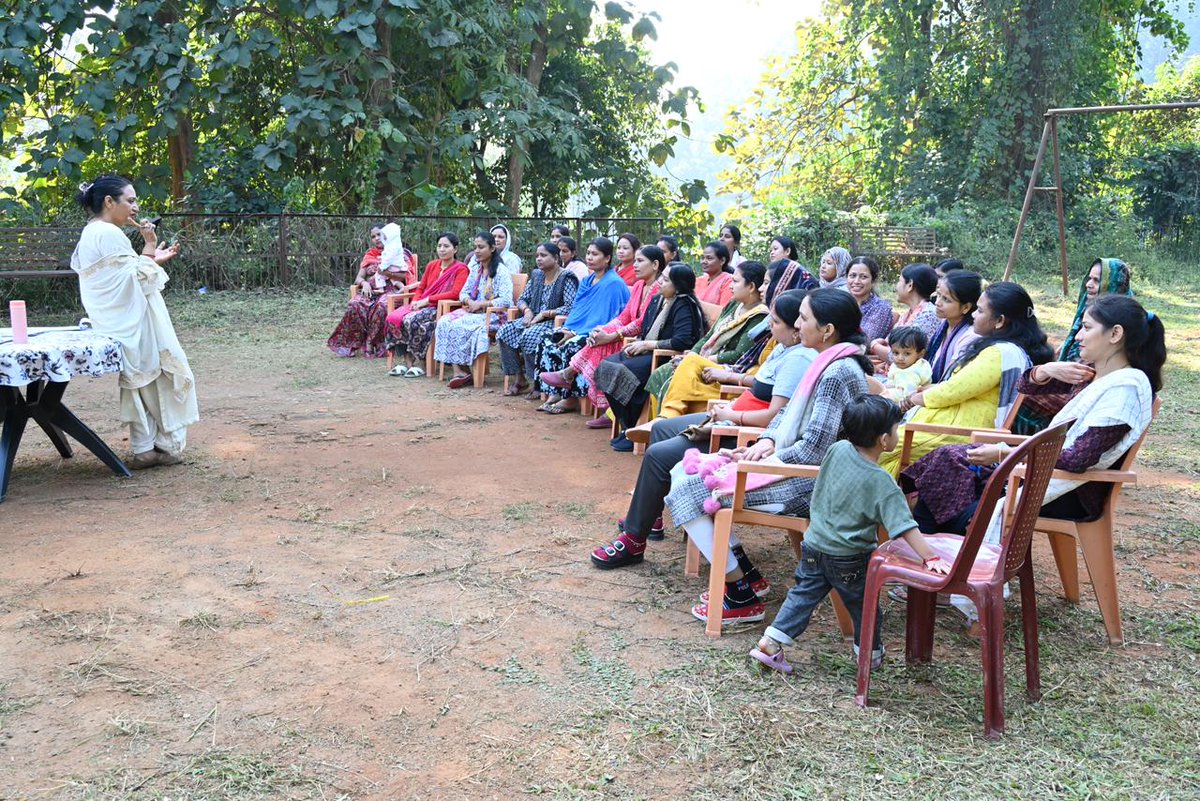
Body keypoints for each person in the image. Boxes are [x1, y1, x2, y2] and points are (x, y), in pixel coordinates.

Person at [589, 291, 872, 611]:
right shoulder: (826, 361)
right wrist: (765, 442)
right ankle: (746, 575)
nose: (796, 324)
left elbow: (814, 450)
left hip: (808, 482)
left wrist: (764, 458)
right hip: (788, 466)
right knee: (683, 470)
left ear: (828, 330)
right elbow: (784, 417)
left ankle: (738, 594)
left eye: (803, 319)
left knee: (686, 488)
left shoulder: (835, 372)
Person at [902, 294, 1164, 538]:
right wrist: (1046, 370)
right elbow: (1024, 386)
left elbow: (1077, 459)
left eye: (1087, 327)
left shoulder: (1124, 390)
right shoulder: (1091, 374)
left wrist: (1005, 454)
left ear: (1115, 334)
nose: (1078, 336)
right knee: (948, 464)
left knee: (949, 484)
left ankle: (943, 560)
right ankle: (933, 558)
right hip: (1042, 472)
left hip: (1069, 492)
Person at [748, 395, 952, 674]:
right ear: (884, 440)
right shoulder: (881, 481)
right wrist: (931, 556)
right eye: (896, 428)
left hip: (815, 545)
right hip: (850, 558)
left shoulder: (838, 449)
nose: (898, 433)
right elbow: (905, 526)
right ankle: (870, 657)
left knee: (803, 595)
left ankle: (770, 642)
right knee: (864, 607)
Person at [69, 175, 197, 469]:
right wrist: (150, 244)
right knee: (156, 378)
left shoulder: (93, 231)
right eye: (130, 200)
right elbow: (138, 278)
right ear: (109, 202)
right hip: (132, 322)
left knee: (140, 383)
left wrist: (152, 257)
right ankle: (165, 446)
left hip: (115, 321)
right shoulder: (109, 233)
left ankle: (145, 448)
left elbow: (125, 276)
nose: (136, 207)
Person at [878, 281, 1054, 477]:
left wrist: (913, 399)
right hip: (949, 425)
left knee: (878, 447)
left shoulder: (999, 353)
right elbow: (960, 387)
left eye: (979, 310)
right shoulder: (997, 348)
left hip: (958, 433)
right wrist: (929, 390)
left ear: (999, 321)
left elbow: (953, 391)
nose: (973, 315)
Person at [652, 258, 814, 419]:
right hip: (738, 380)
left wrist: (726, 377)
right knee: (671, 371)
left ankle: (664, 421)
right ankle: (658, 425)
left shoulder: (774, 327)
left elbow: (747, 363)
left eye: (766, 283)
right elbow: (710, 336)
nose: (761, 288)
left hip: (736, 383)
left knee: (683, 370)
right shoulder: (768, 327)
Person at [541, 245, 665, 418]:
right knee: (595, 337)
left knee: (597, 343)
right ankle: (569, 384)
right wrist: (603, 331)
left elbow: (642, 322)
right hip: (625, 333)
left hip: (642, 339)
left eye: (640, 260)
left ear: (655, 265)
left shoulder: (660, 288)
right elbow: (625, 315)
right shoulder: (639, 285)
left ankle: (572, 378)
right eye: (635, 260)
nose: (634, 265)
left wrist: (613, 335)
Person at [597, 264, 706, 450]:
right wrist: (639, 343)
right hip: (647, 351)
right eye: (661, 277)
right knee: (606, 366)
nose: (660, 282)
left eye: (665, 280)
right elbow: (645, 330)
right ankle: (627, 425)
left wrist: (647, 345)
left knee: (624, 371)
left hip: (665, 356)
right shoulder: (657, 300)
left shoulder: (684, 304)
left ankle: (633, 428)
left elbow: (682, 341)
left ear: (678, 285)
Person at [645, 261, 770, 418]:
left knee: (672, 377)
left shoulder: (759, 316)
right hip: (703, 360)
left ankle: (665, 423)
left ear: (751, 287)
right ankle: (654, 429)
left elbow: (738, 355)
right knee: (660, 373)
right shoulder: (733, 305)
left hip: (723, 368)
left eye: (735, 281)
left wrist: (696, 359)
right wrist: (692, 354)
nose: (731, 286)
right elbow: (709, 336)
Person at [535, 237, 630, 413]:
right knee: (548, 339)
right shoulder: (587, 281)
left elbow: (605, 317)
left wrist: (574, 333)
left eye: (595, 254)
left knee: (572, 345)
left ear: (607, 258)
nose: (590, 257)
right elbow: (578, 309)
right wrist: (567, 328)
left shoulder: (614, 283)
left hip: (598, 333)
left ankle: (572, 398)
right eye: (588, 253)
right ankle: (554, 392)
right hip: (577, 327)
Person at [434, 231, 515, 389]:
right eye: (475, 247)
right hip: (475, 311)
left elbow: (505, 300)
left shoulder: (501, 271)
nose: (476, 251)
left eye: (481, 247)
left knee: (465, 326)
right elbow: (463, 292)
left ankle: (466, 372)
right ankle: (460, 371)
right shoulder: (476, 269)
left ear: (492, 248)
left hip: (495, 315)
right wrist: (469, 301)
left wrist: (482, 304)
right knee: (444, 321)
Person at [497, 242, 578, 396]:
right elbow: (522, 298)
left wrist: (545, 314)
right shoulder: (537, 275)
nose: (539, 259)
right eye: (537, 256)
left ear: (555, 258)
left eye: (543, 255)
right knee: (505, 331)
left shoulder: (566, 277)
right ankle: (519, 379)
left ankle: (537, 382)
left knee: (530, 336)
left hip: (553, 322)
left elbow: (570, 306)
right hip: (531, 318)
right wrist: (527, 310)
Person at [384, 233, 470, 377]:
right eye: (439, 246)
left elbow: (455, 294)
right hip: (424, 304)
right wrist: (416, 301)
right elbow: (421, 288)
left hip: (444, 308)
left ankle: (422, 363)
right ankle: (408, 363)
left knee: (412, 320)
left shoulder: (461, 269)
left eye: (446, 246)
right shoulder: (432, 265)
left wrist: (427, 301)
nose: (442, 249)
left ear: (455, 249)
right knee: (393, 318)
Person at [326, 223, 416, 358]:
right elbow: (359, 277)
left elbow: (407, 275)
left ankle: (371, 342)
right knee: (355, 303)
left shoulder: (398, 252)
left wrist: (388, 274)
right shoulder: (370, 254)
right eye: (373, 236)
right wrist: (364, 283)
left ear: (387, 235)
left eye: (379, 234)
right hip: (371, 290)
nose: (377, 238)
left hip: (393, 291)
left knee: (382, 306)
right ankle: (352, 343)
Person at [868, 262, 939, 372]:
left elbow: (899, 356)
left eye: (899, 281)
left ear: (910, 285)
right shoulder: (909, 313)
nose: (896, 286)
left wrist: (874, 345)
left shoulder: (928, 315)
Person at [1060, 258, 1133, 362]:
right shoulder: (1088, 308)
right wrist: (1068, 345)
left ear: (1113, 283)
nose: (1088, 284)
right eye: (1089, 278)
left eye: (1097, 280)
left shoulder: (1125, 319)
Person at [926, 269, 983, 384]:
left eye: (946, 299)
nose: (937, 302)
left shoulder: (969, 336)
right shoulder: (945, 324)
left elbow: (950, 382)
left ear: (966, 307)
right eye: (938, 295)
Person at [844, 255, 893, 343]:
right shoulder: (842, 303)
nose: (856, 281)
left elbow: (864, 341)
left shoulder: (881, 308)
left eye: (863, 277)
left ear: (873, 281)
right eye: (852, 276)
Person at [879, 327, 931, 404]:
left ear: (920, 354)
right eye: (896, 353)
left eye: (907, 353)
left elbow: (905, 395)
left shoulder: (914, 371)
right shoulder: (902, 365)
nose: (900, 358)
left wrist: (881, 394)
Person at [695, 241, 735, 321]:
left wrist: (696, 303)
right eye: (703, 258)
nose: (704, 261)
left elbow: (725, 313)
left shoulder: (728, 281)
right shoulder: (698, 280)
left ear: (722, 261)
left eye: (709, 258)